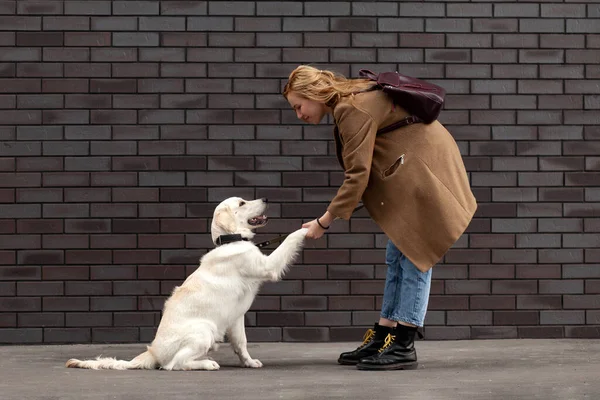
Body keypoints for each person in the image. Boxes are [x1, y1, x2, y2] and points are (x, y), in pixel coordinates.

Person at [283, 65, 477, 371]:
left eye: (298, 106)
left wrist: (324, 221)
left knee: (416, 253)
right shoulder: (351, 98)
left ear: (312, 94)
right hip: (418, 168)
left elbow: (357, 175)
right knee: (396, 253)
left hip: (426, 173)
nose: (299, 114)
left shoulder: (351, 108)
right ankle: (385, 334)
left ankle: (403, 344)